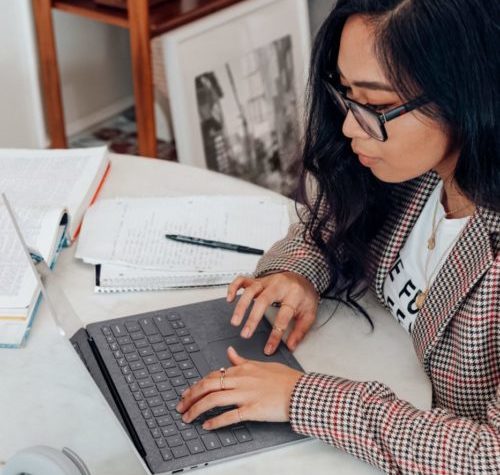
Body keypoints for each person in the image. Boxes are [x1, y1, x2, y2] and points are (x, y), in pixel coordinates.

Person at [176, 0, 500, 472]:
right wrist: (296, 273)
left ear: (469, 94)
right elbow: (333, 220)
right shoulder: (419, 167)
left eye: (378, 105)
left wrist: (301, 398)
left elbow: (489, 457)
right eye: (347, 93)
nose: (349, 125)